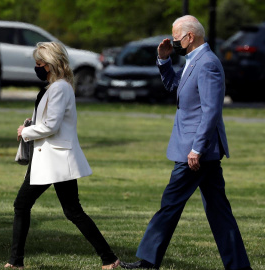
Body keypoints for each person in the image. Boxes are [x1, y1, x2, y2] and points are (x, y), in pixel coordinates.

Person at [120, 15, 252, 270]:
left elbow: (211, 111)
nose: (175, 42)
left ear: (190, 37)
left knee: (170, 204)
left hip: (196, 152)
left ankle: (147, 262)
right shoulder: (195, 61)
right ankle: (240, 267)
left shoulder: (208, 64)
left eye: (177, 38)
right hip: (202, 151)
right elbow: (174, 85)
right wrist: (164, 59)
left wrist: (197, 149)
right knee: (219, 212)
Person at [5, 42, 120, 269]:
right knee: (71, 211)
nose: (37, 67)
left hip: (54, 159)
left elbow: (51, 125)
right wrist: (30, 125)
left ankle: (15, 262)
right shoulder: (57, 87)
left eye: (39, 64)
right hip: (49, 158)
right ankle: (109, 259)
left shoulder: (59, 88)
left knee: (28, 205)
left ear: (49, 65)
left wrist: (25, 131)